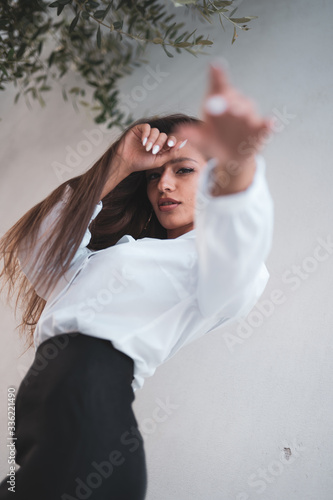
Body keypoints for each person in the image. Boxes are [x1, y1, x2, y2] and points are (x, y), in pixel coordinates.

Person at [0, 61, 274, 499]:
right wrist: (119, 162)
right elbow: (40, 251)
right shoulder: (121, 255)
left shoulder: (216, 267)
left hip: (88, 411)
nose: (163, 183)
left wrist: (239, 168)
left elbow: (241, 243)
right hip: (43, 419)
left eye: (183, 169)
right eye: (153, 175)